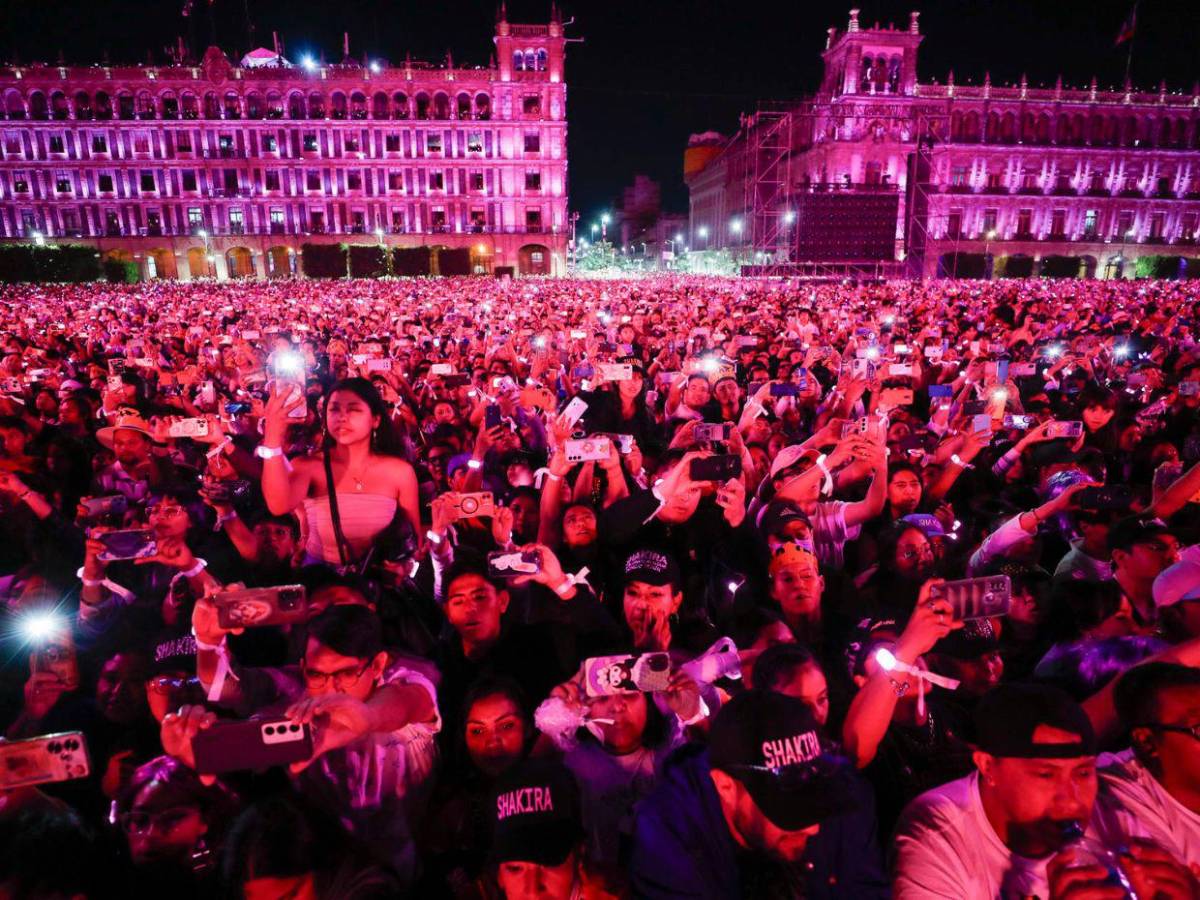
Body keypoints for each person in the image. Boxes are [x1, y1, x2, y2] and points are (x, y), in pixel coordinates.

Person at [892, 682, 1194, 899]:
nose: (1071, 797)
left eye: (1083, 772)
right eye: (1046, 774)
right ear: (988, 767)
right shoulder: (938, 833)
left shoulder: (1113, 823)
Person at [630, 689, 887, 899]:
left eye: (815, 795)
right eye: (791, 807)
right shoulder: (668, 840)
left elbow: (866, 889)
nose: (813, 828)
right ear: (726, 787)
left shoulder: (846, 801)